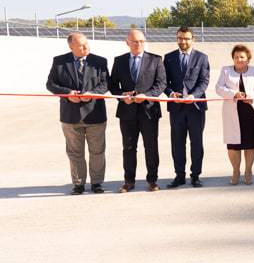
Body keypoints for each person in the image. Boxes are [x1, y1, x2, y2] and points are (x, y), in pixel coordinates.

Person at [46, 32, 110, 195]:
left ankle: (97, 183)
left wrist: (93, 93)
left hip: (95, 114)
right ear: (71, 46)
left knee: (97, 151)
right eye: (80, 45)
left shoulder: (100, 62)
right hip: (70, 115)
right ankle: (78, 184)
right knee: (75, 153)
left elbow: (105, 83)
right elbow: (51, 84)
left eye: (86, 43)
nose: (85, 47)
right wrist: (67, 93)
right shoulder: (60, 62)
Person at [109, 29, 167, 192]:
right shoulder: (119, 61)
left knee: (151, 147)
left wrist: (147, 95)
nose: (138, 44)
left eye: (141, 41)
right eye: (134, 42)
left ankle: (152, 180)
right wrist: (121, 96)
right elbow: (112, 85)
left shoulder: (155, 60)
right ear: (127, 42)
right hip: (127, 112)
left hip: (149, 111)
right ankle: (129, 181)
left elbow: (161, 84)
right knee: (128, 147)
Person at [214, 45, 254, 185]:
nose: (239, 60)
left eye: (242, 57)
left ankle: (248, 171)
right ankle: (235, 171)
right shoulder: (226, 70)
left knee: (250, 144)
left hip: (250, 111)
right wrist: (234, 94)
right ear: (232, 58)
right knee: (233, 145)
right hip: (232, 111)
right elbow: (218, 88)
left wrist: (251, 96)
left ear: (248, 59)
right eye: (236, 57)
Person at [163, 27, 210, 189]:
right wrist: (170, 94)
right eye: (180, 38)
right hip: (176, 108)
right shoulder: (168, 58)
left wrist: (194, 95)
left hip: (195, 107)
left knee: (196, 142)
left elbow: (204, 81)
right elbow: (164, 82)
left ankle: (195, 175)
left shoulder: (202, 58)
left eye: (186, 38)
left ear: (193, 39)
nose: (183, 41)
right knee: (177, 142)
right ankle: (179, 175)